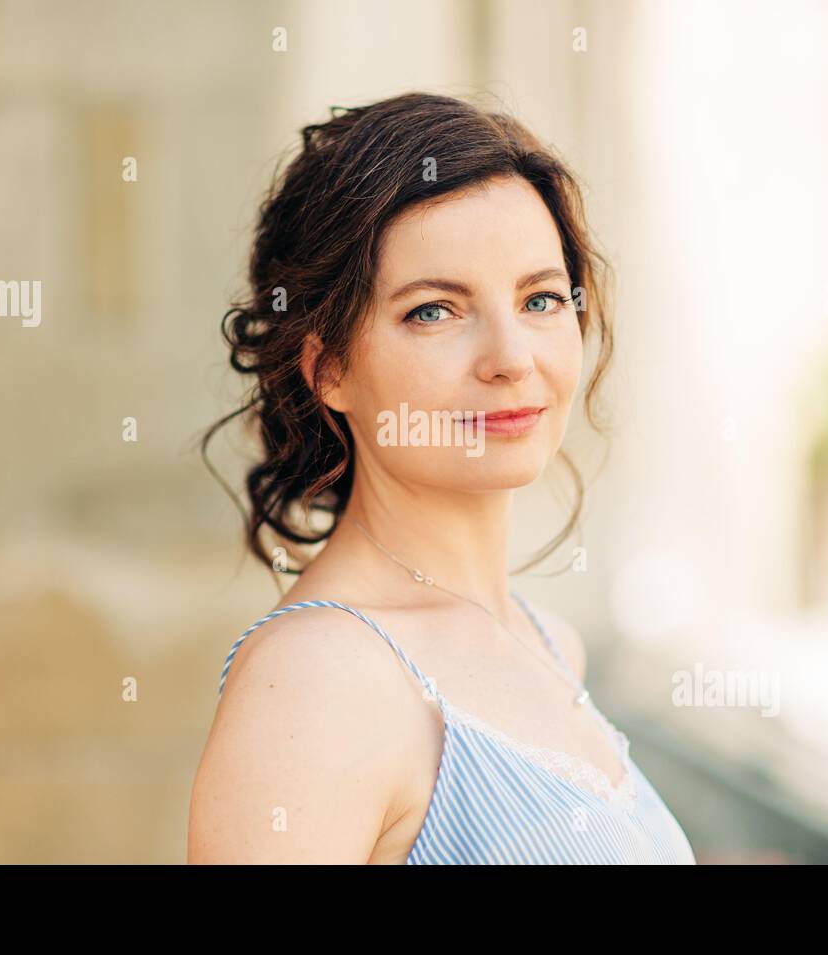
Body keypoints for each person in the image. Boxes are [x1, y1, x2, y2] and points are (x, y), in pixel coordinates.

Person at [188, 92, 695, 864]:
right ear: (328, 368)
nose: (511, 357)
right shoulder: (317, 681)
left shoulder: (549, 643)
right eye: (434, 311)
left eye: (540, 299)